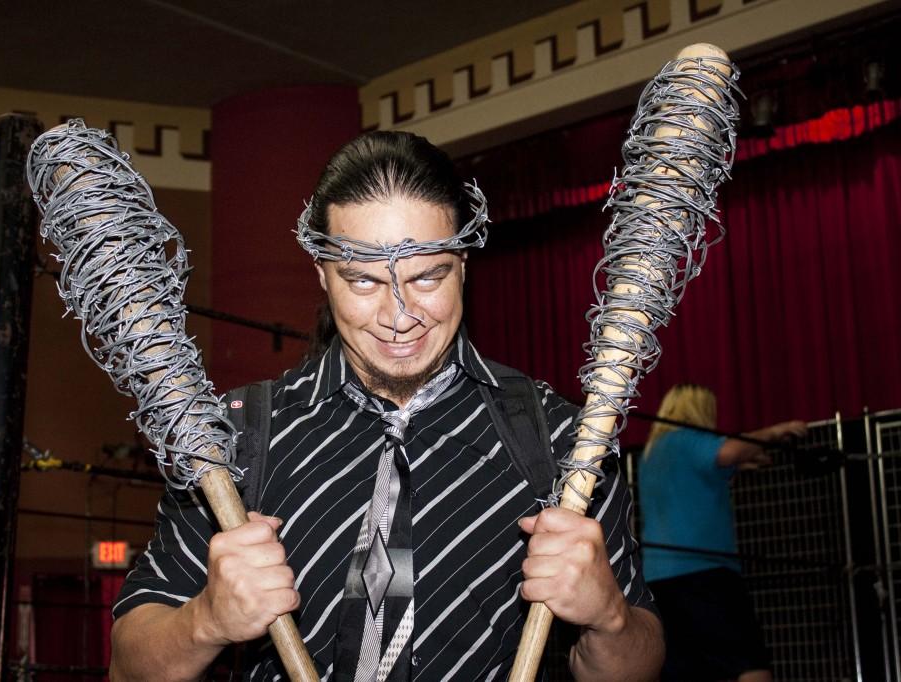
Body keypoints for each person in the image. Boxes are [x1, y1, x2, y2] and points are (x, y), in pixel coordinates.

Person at [109, 131, 663, 681]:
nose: (399, 317)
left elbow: (639, 663)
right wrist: (206, 620)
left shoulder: (562, 440)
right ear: (322, 274)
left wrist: (608, 618)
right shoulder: (232, 439)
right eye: (363, 280)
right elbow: (128, 666)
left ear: (464, 263)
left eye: (428, 276)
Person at [637, 383, 807, 681]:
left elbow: (712, 468)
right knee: (750, 666)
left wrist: (746, 463)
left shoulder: (651, 454)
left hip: (659, 580)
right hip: (704, 571)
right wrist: (776, 432)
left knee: (686, 669)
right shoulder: (688, 439)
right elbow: (729, 452)